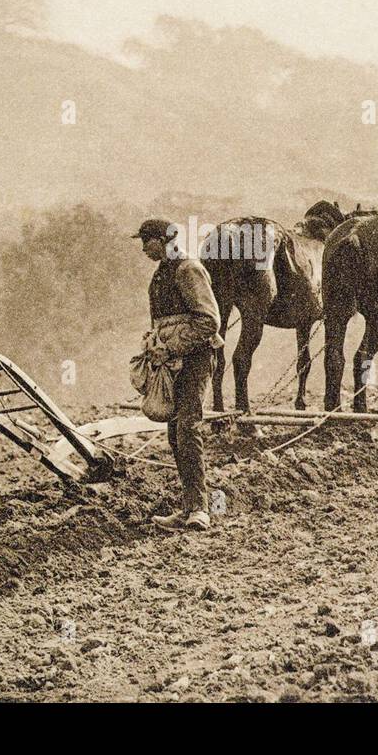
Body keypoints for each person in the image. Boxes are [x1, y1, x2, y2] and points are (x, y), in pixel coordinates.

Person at [132, 218, 224, 531]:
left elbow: (209, 322)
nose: (144, 248)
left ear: (164, 239)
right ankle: (188, 508)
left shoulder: (188, 269)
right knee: (176, 433)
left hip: (195, 360)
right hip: (172, 363)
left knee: (187, 428)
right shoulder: (162, 274)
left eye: (147, 241)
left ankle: (200, 510)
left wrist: (171, 348)